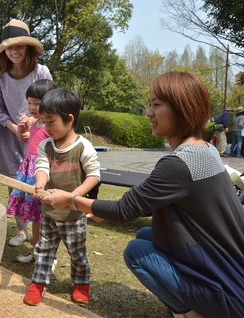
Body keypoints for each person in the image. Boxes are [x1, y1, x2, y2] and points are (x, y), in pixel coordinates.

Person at [42, 72, 244, 318]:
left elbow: (123, 211)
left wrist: (71, 200)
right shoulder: (206, 149)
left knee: (136, 251)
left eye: (156, 105)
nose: (148, 113)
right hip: (231, 267)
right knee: (147, 234)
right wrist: (94, 207)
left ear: (182, 108)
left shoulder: (178, 163)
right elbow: (146, 204)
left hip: (229, 292)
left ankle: (189, 313)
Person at [23, 88, 101, 306]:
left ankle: (81, 284)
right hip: (49, 213)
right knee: (44, 250)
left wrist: (72, 197)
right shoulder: (45, 145)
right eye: (44, 122)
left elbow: (94, 175)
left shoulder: (83, 146)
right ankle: (38, 284)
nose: (46, 128)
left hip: (74, 215)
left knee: (77, 253)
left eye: (51, 122)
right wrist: (39, 181)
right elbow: (42, 167)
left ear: (69, 120)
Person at [0, 18, 53, 247]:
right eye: (9, 46)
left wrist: (34, 124)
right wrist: (15, 128)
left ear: (28, 48)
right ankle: (21, 229)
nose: (14, 51)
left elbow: (50, 105)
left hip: (38, 135)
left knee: (38, 182)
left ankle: (42, 228)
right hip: (9, 135)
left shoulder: (41, 71)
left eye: (19, 45)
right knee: (13, 183)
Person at [6, 79, 57, 264]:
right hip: (29, 172)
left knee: (45, 219)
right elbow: (33, 141)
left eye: (37, 103)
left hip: (41, 174)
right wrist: (27, 133)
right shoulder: (35, 123)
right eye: (29, 102)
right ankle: (37, 255)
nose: (32, 107)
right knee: (36, 217)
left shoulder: (51, 127)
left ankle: (49, 257)